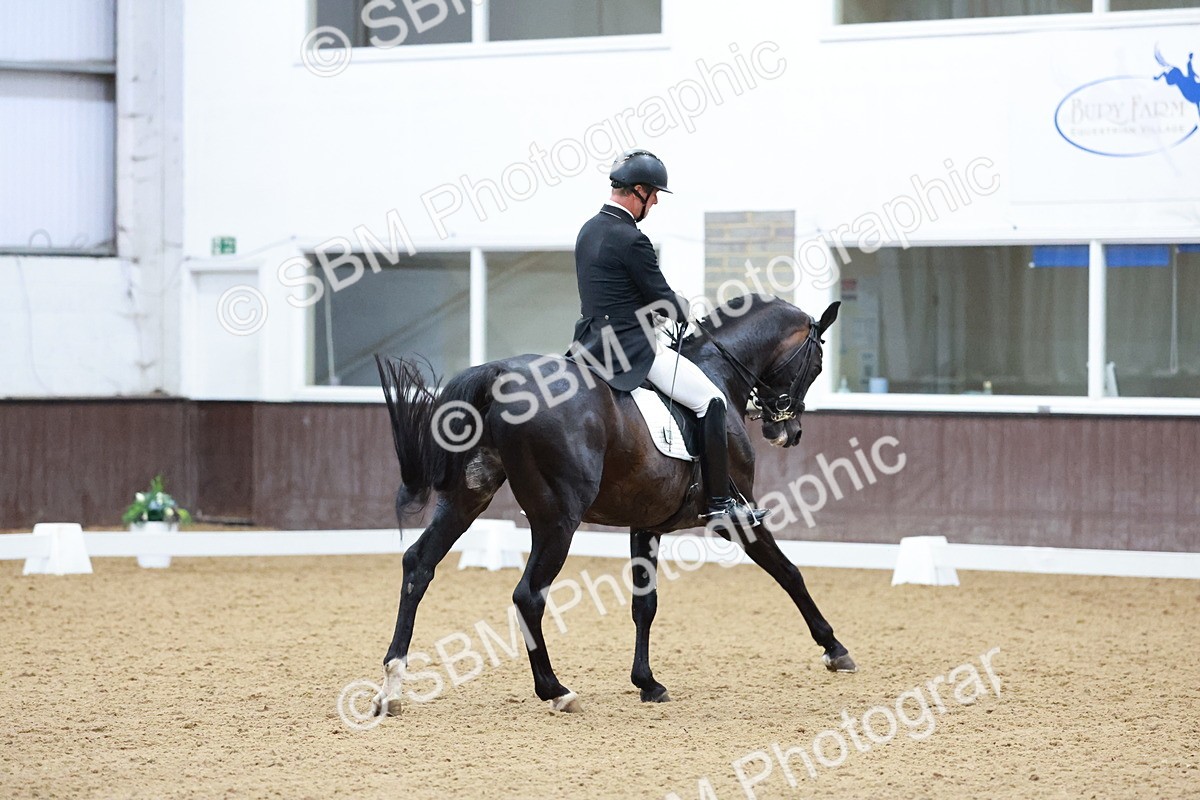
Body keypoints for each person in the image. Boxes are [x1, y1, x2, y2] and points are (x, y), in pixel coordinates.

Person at [568, 149, 766, 528]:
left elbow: (616, 291)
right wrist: (681, 307)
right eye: (654, 193)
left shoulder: (588, 230)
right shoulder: (631, 239)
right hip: (631, 348)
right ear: (638, 191)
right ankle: (720, 504)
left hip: (591, 347)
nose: (656, 201)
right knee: (711, 399)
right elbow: (660, 297)